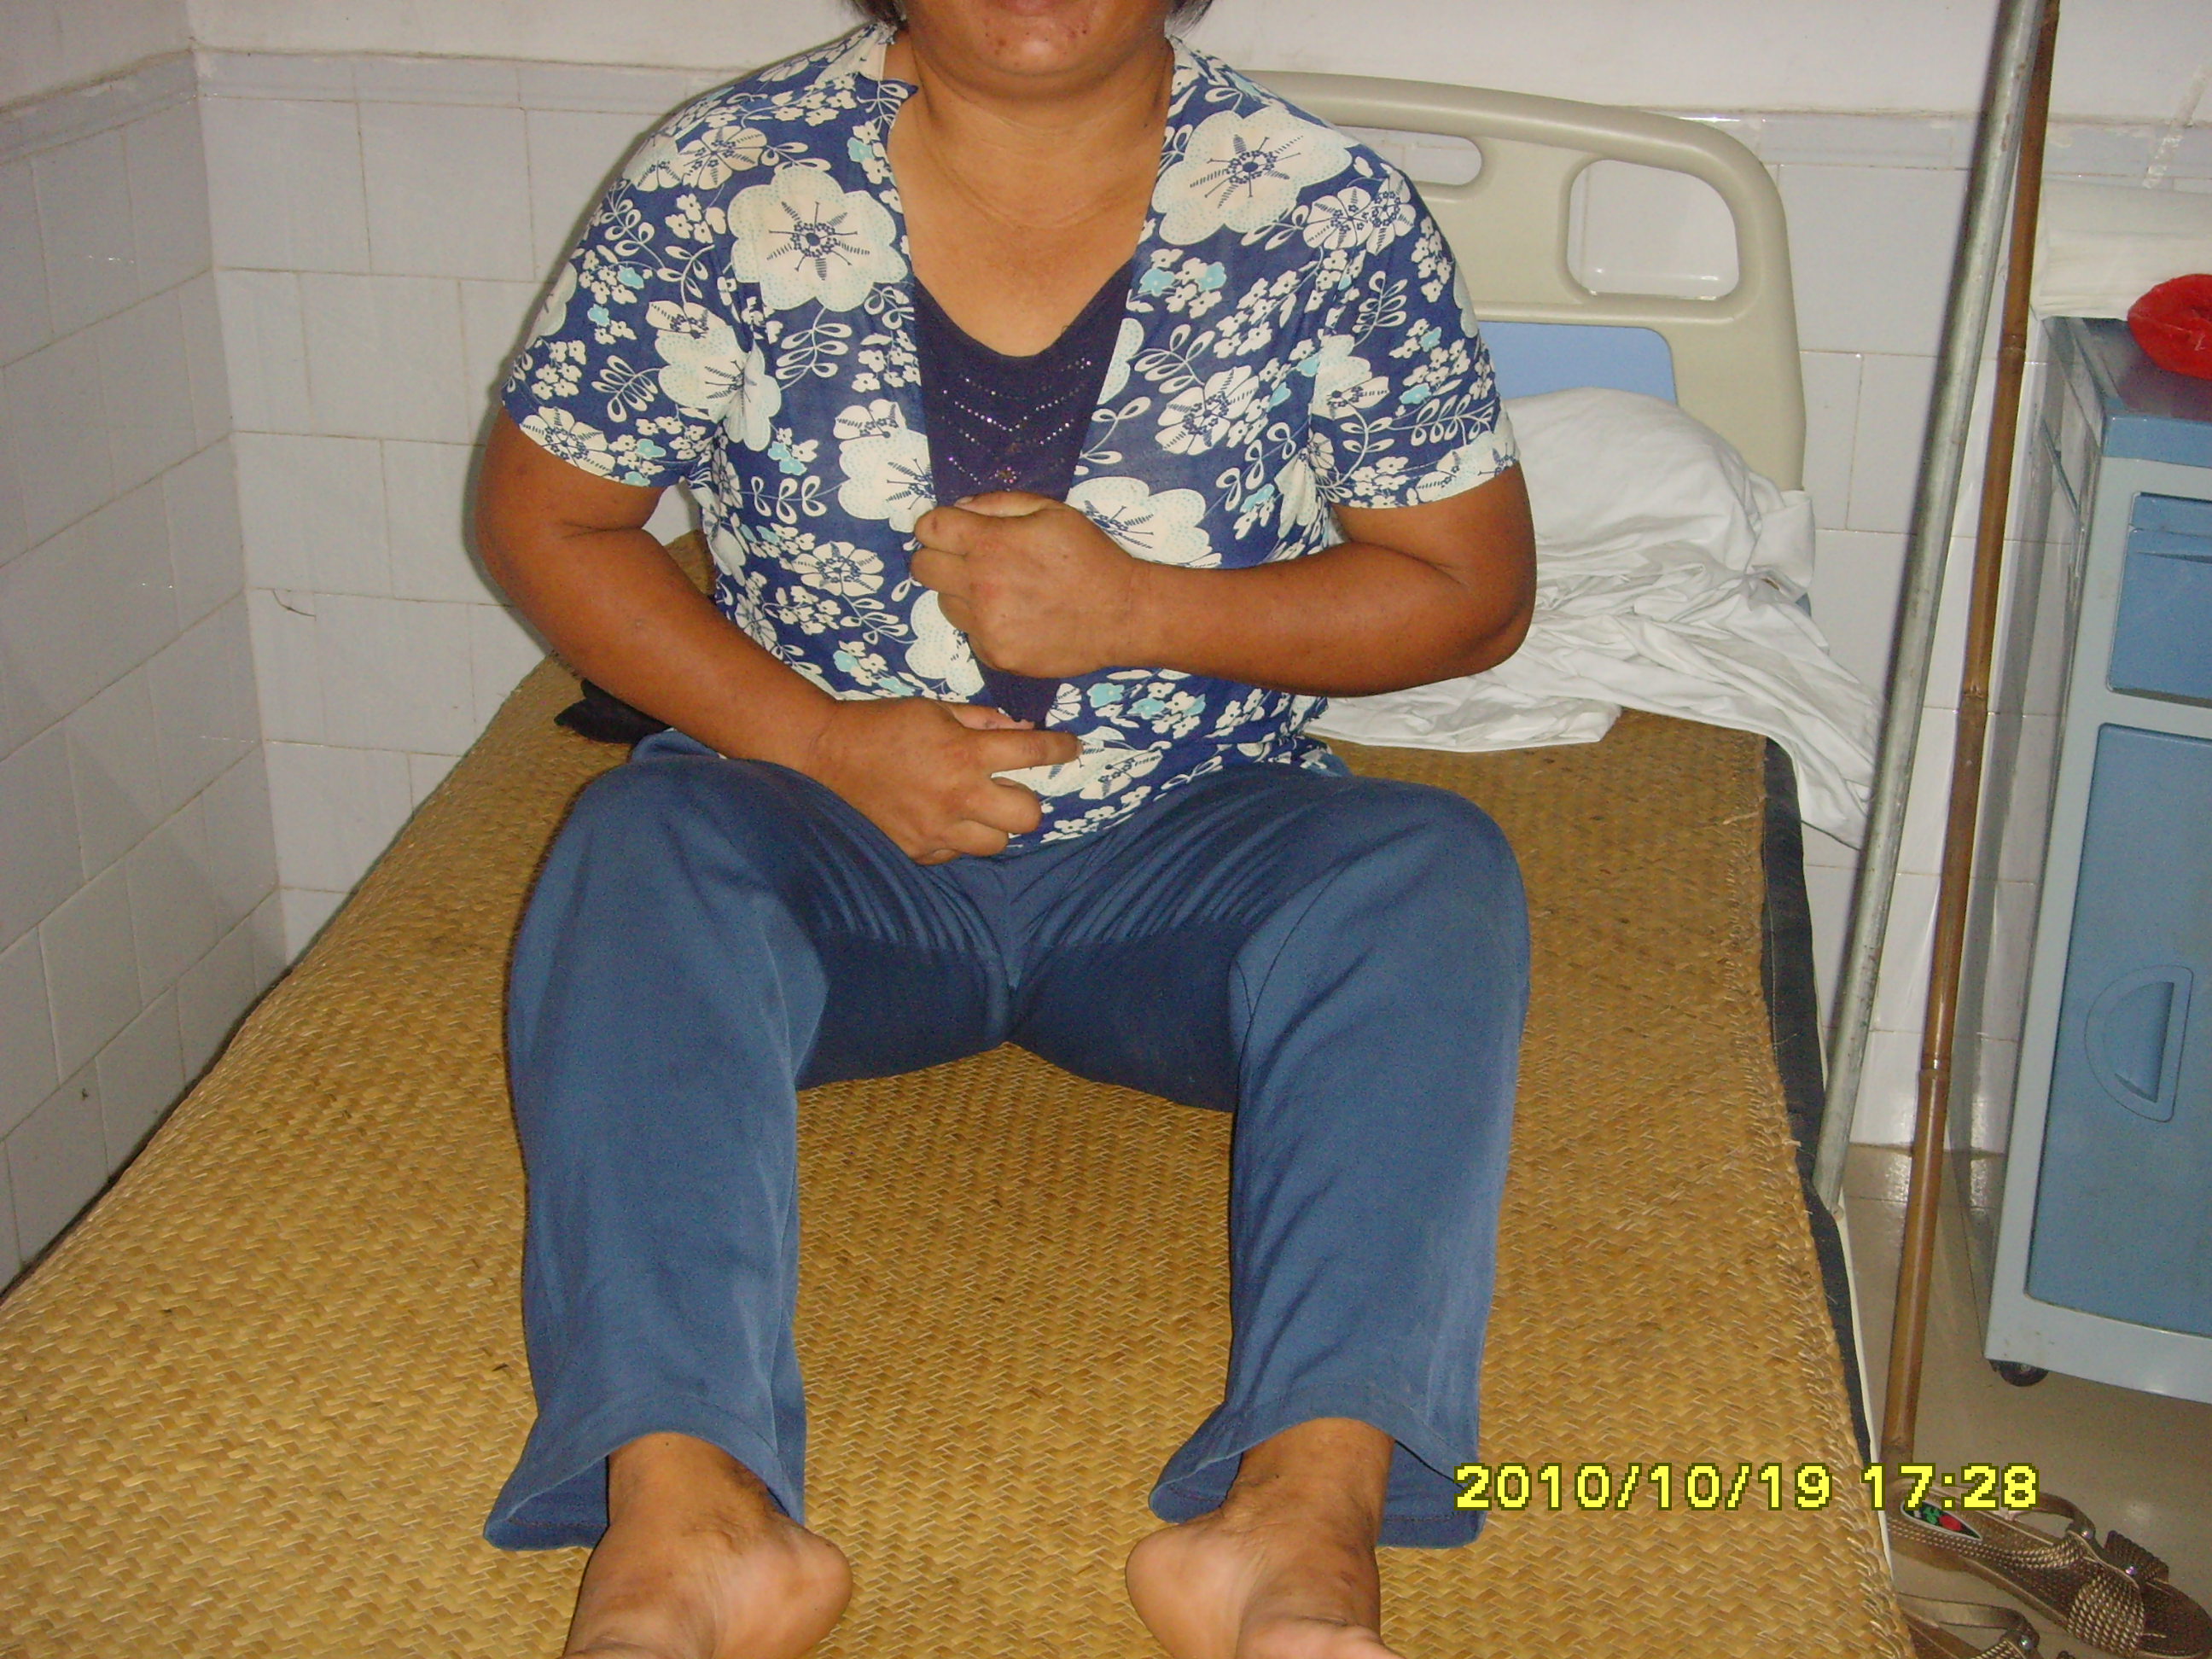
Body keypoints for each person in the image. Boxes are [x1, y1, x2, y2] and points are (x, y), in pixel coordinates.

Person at [474, 0, 1537, 1654]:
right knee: (635, 847)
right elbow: (547, 519)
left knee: (1433, 869)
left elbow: (1473, 592)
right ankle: (697, 1526)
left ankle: (1293, 1525)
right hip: (827, 852)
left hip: (1185, 857)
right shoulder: (723, 179)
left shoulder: (1324, 210)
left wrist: (1145, 611)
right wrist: (822, 742)